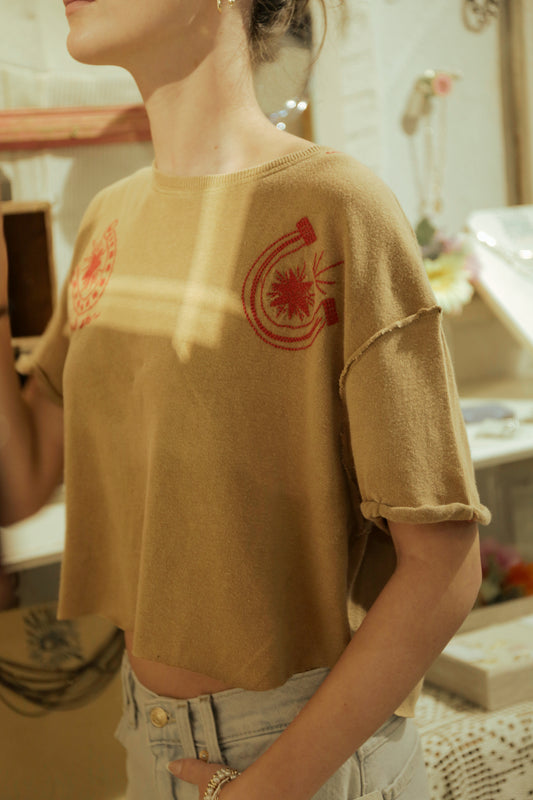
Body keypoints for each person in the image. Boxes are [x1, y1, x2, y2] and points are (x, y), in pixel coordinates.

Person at [0, 0, 492, 798]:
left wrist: (265, 788)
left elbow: (443, 567)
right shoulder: (108, 218)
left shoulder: (335, 205)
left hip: (302, 753)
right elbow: (22, 481)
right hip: (147, 734)